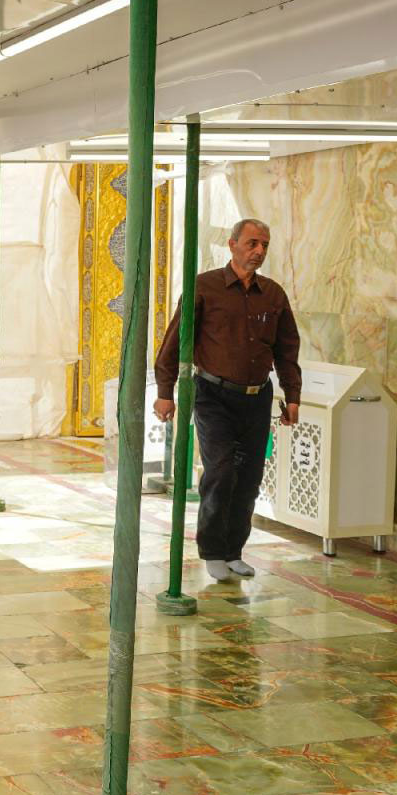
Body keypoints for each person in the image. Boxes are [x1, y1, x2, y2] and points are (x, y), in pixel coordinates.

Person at [153, 217, 302, 584]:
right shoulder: (205, 287)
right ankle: (212, 550)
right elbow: (175, 341)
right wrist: (164, 392)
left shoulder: (273, 294)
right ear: (233, 245)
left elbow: (287, 350)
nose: (259, 251)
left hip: (257, 398)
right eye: (252, 243)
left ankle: (234, 551)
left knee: (249, 478)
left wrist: (292, 396)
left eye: (264, 245)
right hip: (213, 396)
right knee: (220, 473)